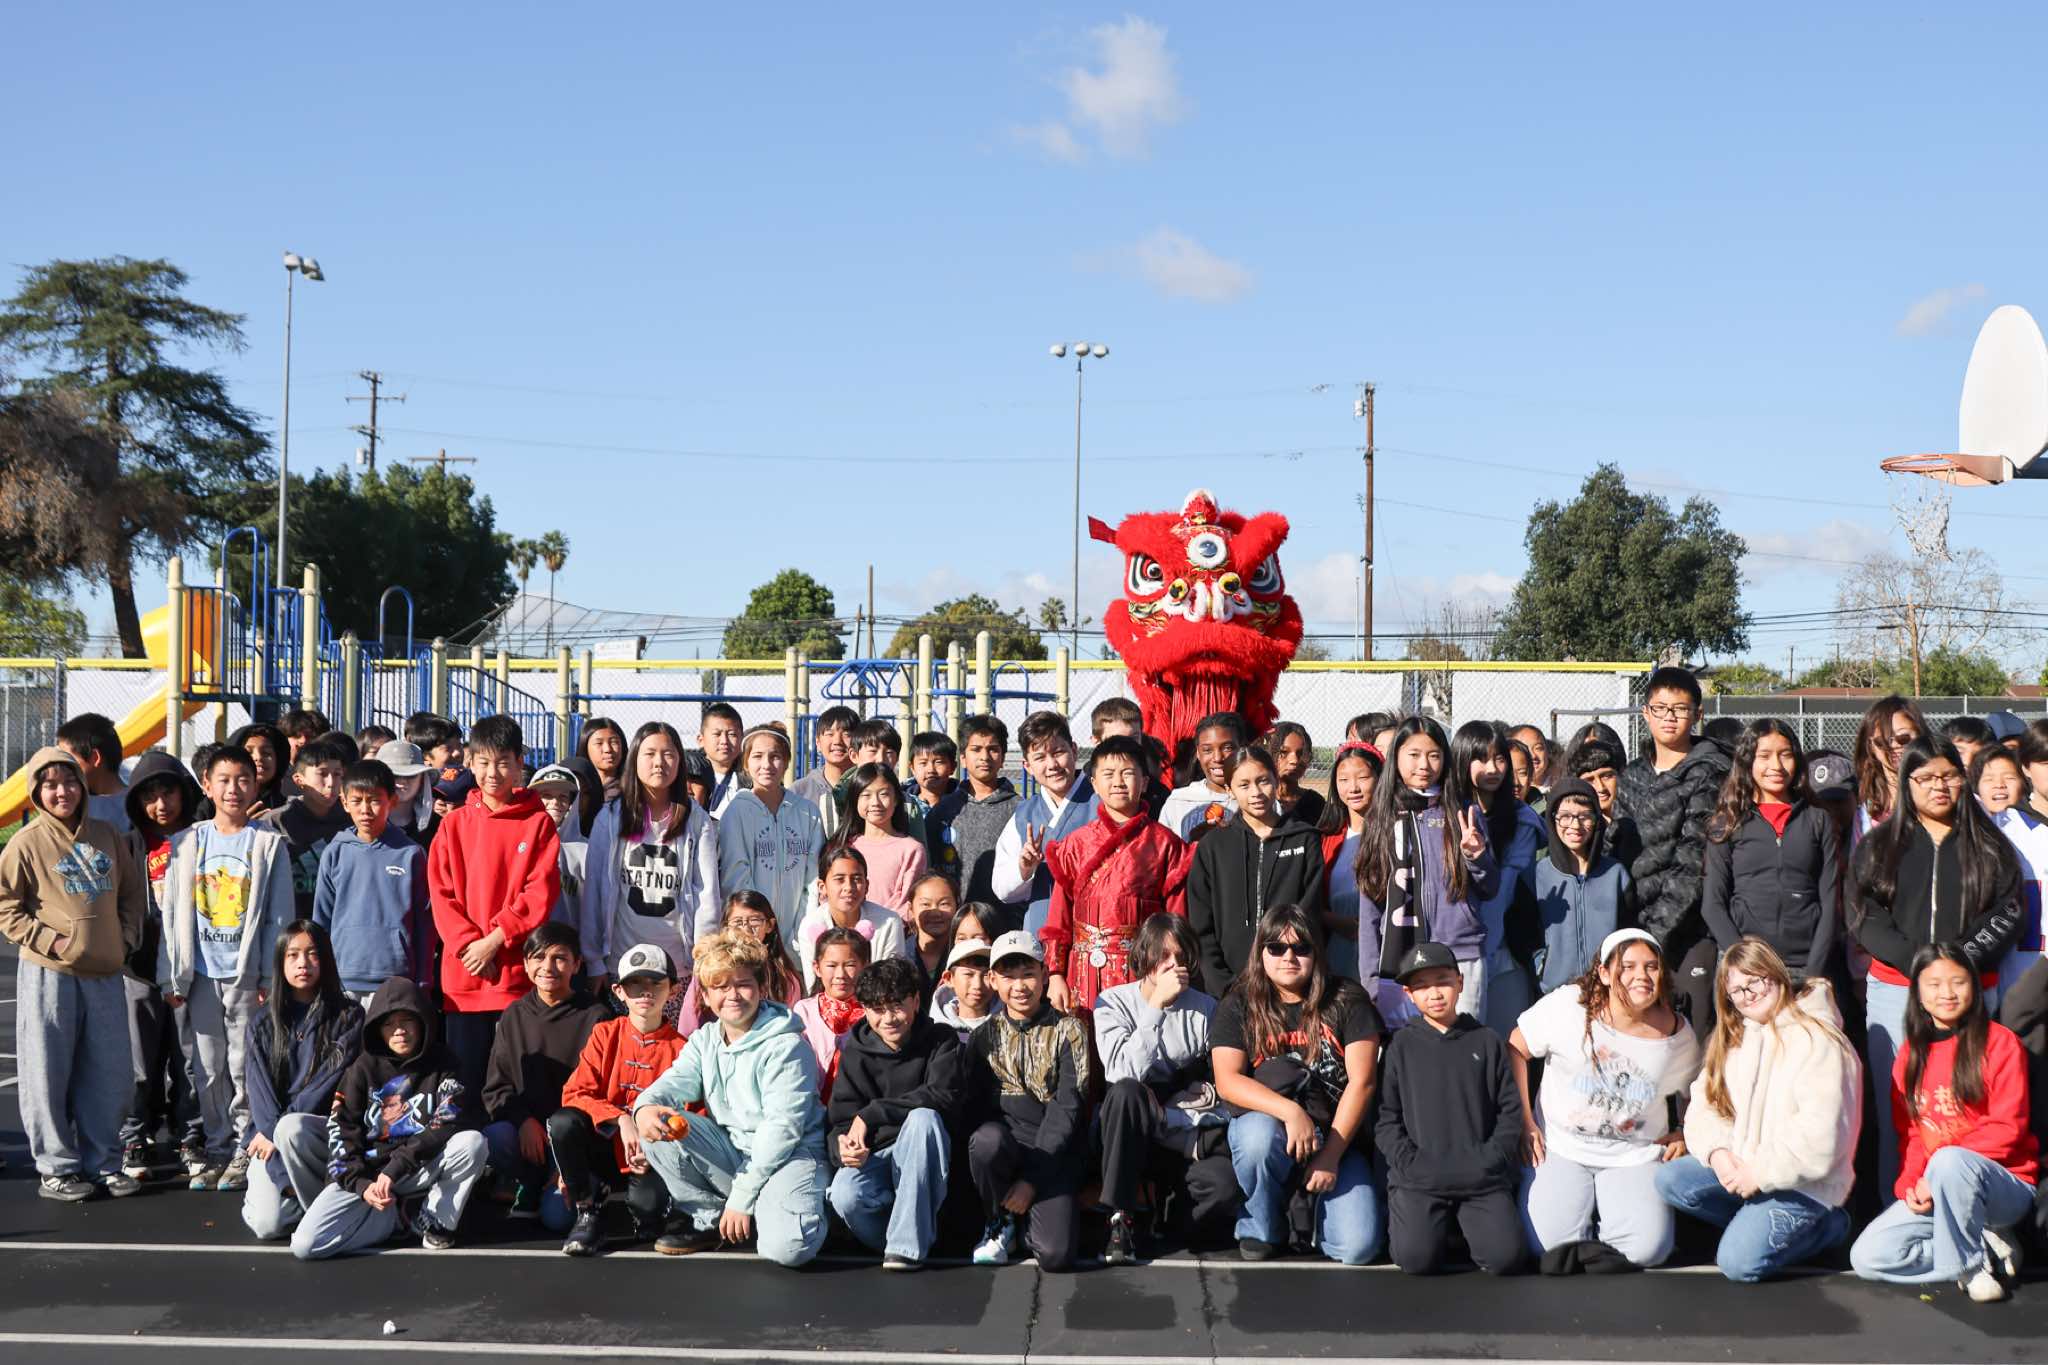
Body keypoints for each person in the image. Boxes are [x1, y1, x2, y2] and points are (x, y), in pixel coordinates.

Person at [1851, 736, 2021, 1190]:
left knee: (1970, 1107)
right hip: (1896, 991)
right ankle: (1900, 1209)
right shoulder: (1879, 846)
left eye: (1948, 776)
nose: (1938, 786)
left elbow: (2008, 912)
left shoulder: (1990, 845)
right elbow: (1863, 914)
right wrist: (1919, 963)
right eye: (1925, 777)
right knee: (1900, 1111)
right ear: (1906, 783)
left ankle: (1968, 1208)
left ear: (1963, 780)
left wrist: (1956, 964)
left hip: (1969, 993)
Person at [1655, 937, 1860, 1282]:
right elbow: (1704, 1106)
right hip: (1747, 1167)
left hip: (1804, 1184)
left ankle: (1828, 1227)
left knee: (1738, 1263)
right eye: (1737, 990)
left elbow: (1821, 1137)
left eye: (1756, 981)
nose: (1748, 994)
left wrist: (1759, 1174)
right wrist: (1719, 1153)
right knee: (1672, 1180)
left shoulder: (1818, 1039)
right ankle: (1756, 1223)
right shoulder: (1736, 1038)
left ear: (1776, 976)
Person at [631, 929, 831, 1265]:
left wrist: (742, 1197)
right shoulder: (705, 1039)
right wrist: (643, 1110)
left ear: (761, 988)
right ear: (707, 996)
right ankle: (711, 1219)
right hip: (733, 1152)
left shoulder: (788, 1046)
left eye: (743, 984)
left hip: (791, 1157)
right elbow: (673, 1083)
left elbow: (782, 1130)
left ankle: (808, 1207)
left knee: (789, 1249)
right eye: (721, 987)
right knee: (657, 1121)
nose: (732, 995)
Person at [1851, 945, 2037, 1302]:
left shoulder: (2000, 1043)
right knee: (1868, 1256)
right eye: (1934, 984)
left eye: (1958, 982)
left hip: (2003, 1186)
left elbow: (2007, 1128)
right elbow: (1912, 1135)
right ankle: (1982, 1247)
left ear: (1974, 987)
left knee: (1949, 1160)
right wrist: (1910, 1184)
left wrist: (1935, 1174)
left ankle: (1970, 1268)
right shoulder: (1910, 1055)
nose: (1947, 993)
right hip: (1939, 1188)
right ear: (1918, 993)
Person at [1, 746, 146, 1201]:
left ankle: (104, 1163)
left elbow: (131, 894)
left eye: (69, 782)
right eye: (50, 785)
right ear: (36, 792)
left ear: (82, 786)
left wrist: (125, 938)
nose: (61, 792)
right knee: (47, 1072)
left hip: (105, 973)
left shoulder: (107, 835)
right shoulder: (25, 843)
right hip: (50, 974)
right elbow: (6, 907)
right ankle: (56, 1168)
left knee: (110, 1074)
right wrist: (52, 941)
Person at [1510, 928, 1701, 1269]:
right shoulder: (1568, 1005)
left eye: (1651, 966)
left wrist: (1686, 1131)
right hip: (1562, 1146)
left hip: (1634, 1154)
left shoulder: (1674, 1031)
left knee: (1647, 1251)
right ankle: (1584, 1230)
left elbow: (1695, 1089)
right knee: (1548, 1248)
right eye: (1628, 966)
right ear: (1604, 973)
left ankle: (1602, 1231)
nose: (1641, 975)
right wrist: (1525, 1121)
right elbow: (1516, 1047)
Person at [1213, 903, 1386, 1264]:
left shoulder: (1347, 999)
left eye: (1300, 947)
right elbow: (1227, 1081)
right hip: (1272, 1131)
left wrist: (1331, 1155)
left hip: (1337, 1138)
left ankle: (1307, 1220)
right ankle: (1263, 1226)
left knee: (1359, 1247)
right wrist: (1291, 1112)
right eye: (1276, 947)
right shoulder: (1238, 1003)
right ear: (1261, 952)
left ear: (1316, 951)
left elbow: (1363, 1083)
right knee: (1257, 1139)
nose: (1288, 957)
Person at [161, 745, 295, 1192]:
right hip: (200, 974)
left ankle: (244, 1143)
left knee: (244, 1063)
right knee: (206, 1065)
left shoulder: (268, 844)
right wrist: (170, 974)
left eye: (243, 780)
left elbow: (279, 916)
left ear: (255, 786)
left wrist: (270, 975)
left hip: (246, 974)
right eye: (223, 780)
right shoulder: (187, 842)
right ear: (207, 785)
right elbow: (171, 914)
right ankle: (218, 1144)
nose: (233, 789)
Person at [292, 976, 487, 1258]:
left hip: (416, 1167)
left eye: (407, 1020)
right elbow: (340, 1129)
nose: (399, 1031)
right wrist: (361, 1185)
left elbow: (449, 1120)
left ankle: (434, 1220)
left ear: (423, 1021)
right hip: (370, 1174)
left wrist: (396, 1168)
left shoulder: (445, 1063)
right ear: (377, 1030)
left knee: (472, 1142)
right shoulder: (362, 1069)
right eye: (388, 1024)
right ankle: (397, 1220)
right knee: (305, 1246)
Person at [426, 715, 564, 1109]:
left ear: (520, 764)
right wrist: (471, 946)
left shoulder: (538, 824)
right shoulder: (454, 825)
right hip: (464, 977)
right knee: (464, 1090)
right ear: (469, 762)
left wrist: (495, 940)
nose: (493, 773)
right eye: (484, 762)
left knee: (515, 1088)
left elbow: (539, 892)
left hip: (516, 976)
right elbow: (441, 895)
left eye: (503, 762)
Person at [1376, 941, 1528, 1276]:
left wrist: (1490, 1159)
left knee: (1506, 1258)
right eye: (1421, 986)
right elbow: (1387, 1119)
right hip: (1420, 1179)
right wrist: (1411, 1164)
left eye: (1443, 981)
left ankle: (1464, 1229)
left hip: (1480, 1178)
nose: (1434, 993)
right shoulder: (1400, 1046)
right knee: (1415, 1260)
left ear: (1460, 982)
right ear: (1408, 994)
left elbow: (1509, 1111)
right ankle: (1437, 1229)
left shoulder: (1487, 1040)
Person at [1093, 913, 1233, 1263]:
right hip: (1127, 1134)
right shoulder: (1112, 1002)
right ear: (1145, 957)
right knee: (1126, 1091)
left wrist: (1170, 1120)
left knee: (1223, 1186)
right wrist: (1156, 1006)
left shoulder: (1207, 1009)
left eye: (1180, 957)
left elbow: (1219, 1090)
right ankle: (1119, 1217)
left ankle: (1168, 1218)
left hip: (1181, 1131)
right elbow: (1122, 1072)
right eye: (1163, 956)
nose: (1173, 965)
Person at [828, 955, 969, 1269]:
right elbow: (841, 1121)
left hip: (930, 1156)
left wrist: (872, 1114)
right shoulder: (854, 1052)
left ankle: (906, 1247)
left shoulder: (941, 1040)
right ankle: (904, 1239)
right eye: (878, 1009)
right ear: (865, 1010)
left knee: (923, 1119)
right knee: (844, 1194)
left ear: (916, 1001)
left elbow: (942, 1096)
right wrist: (844, 1148)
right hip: (878, 1154)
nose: (889, 1018)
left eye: (897, 1006)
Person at [1614, 665, 1732, 1037]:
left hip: (1688, 935)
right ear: (1645, 713)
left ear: (1697, 714)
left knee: (1689, 1043)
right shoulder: (1631, 776)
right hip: (1632, 930)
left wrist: (1654, 938)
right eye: (1660, 708)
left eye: (1680, 709)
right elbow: (1617, 850)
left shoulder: (1711, 772)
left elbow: (1693, 861)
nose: (1669, 717)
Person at [965, 931, 1093, 1270]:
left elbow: (1068, 1108)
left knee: (1055, 1256)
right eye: (1008, 976)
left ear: (1044, 974)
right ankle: (999, 1219)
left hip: (1054, 1152)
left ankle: (1024, 1221)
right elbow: (975, 1109)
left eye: (1028, 974)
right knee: (985, 1141)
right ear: (992, 980)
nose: (1019, 986)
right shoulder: (983, 1037)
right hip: (1006, 1148)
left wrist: (1031, 1181)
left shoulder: (1070, 1031)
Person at [1355, 717, 1496, 1021]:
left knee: (1462, 1043)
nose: (1424, 765)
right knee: (1407, 1047)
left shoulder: (1464, 812)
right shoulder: (1380, 818)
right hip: (1399, 961)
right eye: (1414, 754)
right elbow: (1370, 906)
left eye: (1434, 755)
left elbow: (1489, 888)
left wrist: (1477, 857)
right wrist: (1370, 977)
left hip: (1459, 956)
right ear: (1396, 757)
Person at [553, 942, 689, 1255]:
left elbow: (691, 1116)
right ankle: (588, 1208)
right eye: (635, 984)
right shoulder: (605, 1034)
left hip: (648, 1157)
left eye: (656, 983)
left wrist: (656, 1150)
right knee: (562, 1124)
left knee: (648, 1216)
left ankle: (644, 1209)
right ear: (618, 991)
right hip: (602, 1149)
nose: (645, 992)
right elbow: (575, 1093)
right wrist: (621, 1118)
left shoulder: (683, 1049)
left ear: (673, 990)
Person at [1041, 735, 1192, 1013]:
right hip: (1083, 971)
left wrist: (1171, 969)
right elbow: (1058, 918)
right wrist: (1055, 974)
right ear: (1094, 783)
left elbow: (1176, 918)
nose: (1118, 782)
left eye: (1128, 773)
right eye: (1108, 774)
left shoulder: (1165, 844)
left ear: (1144, 782)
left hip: (1144, 970)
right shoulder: (1075, 844)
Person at [241, 920, 366, 1239]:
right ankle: (294, 1197)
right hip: (270, 1139)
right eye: (293, 954)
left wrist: (279, 1129)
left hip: (319, 1134)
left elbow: (327, 1083)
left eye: (312, 954)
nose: (303, 963)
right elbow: (260, 1096)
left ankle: (316, 1208)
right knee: (267, 1226)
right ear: (280, 961)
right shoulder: (261, 1023)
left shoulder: (349, 1016)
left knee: (292, 1128)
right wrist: (274, 1141)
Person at [482, 921, 607, 1225]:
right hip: (529, 1137)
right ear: (526, 964)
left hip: (574, 1138)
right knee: (493, 1137)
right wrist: (523, 1121)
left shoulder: (596, 1016)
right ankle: (528, 1180)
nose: (548, 967)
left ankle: (584, 1182)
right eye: (538, 957)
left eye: (559, 958)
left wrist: (566, 1150)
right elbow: (496, 1089)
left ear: (577, 964)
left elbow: (604, 1093)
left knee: (557, 1220)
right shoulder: (514, 1015)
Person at [118, 750, 203, 1182]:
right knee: (139, 1061)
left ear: (184, 793)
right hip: (140, 969)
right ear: (137, 801)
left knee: (189, 1058)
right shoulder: (129, 845)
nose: (160, 804)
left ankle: (191, 1134)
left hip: (189, 968)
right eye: (149, 796)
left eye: (168, 792)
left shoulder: (200, 839)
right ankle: (135, 1134)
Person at [582, 721, 720, 988]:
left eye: (668, 754)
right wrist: (594, 961)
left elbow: (706, 895)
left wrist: (703, 959)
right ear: (634, 758)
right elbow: (594, 893)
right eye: (650, 753)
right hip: (621, 965)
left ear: (680, 761)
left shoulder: (696, 820)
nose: (659, 762)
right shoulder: (610, 818)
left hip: (679, 969)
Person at [1702, 719, 1844, 979]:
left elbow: (1830, 900)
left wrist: (1814, 971)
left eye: (1785, 755)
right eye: (1764, 756)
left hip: (1806, 965)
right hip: (1746, 967)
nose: (1776, 766)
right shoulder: (1728, 822)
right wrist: (1744, 965)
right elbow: (1712, 904)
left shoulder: (1818, 819)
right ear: (1748, 761)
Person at [1189, 746, 1326, 997]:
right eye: (1244, 785)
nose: (1256, 792)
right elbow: (1201, 923)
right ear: (1229, 790)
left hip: (1289, 986)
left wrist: (1288, 979)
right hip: (1228, 991)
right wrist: (1224, 985)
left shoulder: (1304, 839)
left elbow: (1310, 912)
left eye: (1263, 781)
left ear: (1276, 780)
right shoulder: (1213, 846)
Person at [314, 759, 434, 1002]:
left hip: (397, 980)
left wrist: (423, 979)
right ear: (344, 803)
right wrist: (321, 976)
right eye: (357, 801)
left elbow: (425, 924)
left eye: (375, 800)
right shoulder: (335, 852)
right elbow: (321, 921)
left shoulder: (411, 854)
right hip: (343, 979)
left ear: (392, 801)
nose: (365, 809)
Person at [1454, 722, 1546, 1037]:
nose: (1493, 768)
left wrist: (1487, 953)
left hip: (1506, 950)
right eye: (1481, 759)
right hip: (1458, 953)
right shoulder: (1446, 815)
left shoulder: (1523, 822)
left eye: (1500, 759)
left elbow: (1502, 895)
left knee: (1508, 1044)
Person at [1517, 778, 1632, 998]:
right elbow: (1522, 935)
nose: (1575, 826)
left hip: (1607, 989)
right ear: (1552, 819)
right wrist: (1540, 964)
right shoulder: (1535, 875)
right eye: (1565, 816)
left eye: (1585, 816)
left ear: (1596, 820)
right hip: (1554, 994)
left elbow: (1628, 929)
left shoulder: (1616, 874)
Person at [991, 711, 1098, 937]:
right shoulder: (1023, 815)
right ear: (1027, 766)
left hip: (1096, 933)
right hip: (1042, 935)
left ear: (1074, 750)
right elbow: (1002, 889)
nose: (1052, 765)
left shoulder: (1102, 801)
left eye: (1058, 752)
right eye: (1040, 757)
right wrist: (1024, 868)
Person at [718, 724, 826, 932]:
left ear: (786, 762)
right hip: (753, 934)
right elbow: (736, 878)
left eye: (775, 756)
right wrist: (759, 929)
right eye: (757, 756)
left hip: (798, 935)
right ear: (746, 763)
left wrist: (802, 933)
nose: (766, 764)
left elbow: (812, 879)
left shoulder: (808, 812)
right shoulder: (736, 812)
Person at [1974, 745, 2048, 995]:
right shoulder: (1977, 833)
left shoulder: (2032, 828)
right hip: (2007, 968)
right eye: (1989, 778)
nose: (1999, 785)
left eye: (2008, 777)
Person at [926, 714, 1020, 905]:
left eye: (993, 749)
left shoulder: (1020, 809)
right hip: (955, 916)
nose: (984, 757)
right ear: (963, 757)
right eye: (976, 749)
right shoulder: (944, 810)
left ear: (1003, 757)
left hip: (1006, 915)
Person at [678, 890, 804, 1032]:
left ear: (770, 925)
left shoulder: (785, 977)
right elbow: (689, 1020)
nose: (746, 929)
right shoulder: (711, 968)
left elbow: (789, 1025)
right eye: (737, 922)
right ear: (726, 926)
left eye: (754, 920)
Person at [258, 734, 353, 918]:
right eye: (322, 774)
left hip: (339, 921)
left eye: (337, 774)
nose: (331, 783)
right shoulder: (275, 822)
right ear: (299, 780)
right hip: (290, 923)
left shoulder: (352, 821)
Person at [1317, 740, 1382, 982]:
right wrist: (1337, 922)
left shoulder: (1397, 832)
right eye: (1343, 779)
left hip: (1384, 948)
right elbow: (1312, 900)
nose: (1353, 788)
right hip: (1337, 949)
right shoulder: (1326, 838)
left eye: (1362, 778)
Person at [797, 846, 910, 984]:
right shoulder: (811, 926)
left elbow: (891, 983)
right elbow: (813, 984)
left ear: (867, 885)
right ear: (822, 887)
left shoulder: (889, 922)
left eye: (856, 879)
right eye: (839, 879)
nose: (849, 887)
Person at [832, 761, 928, 920]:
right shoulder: (844, 846)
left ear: (896, 799)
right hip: (847, 931)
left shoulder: (912, 849)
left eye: (884, 794)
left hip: (892, 930)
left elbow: (907, 902)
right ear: (855, 800)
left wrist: (879, 926)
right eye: (866, 795)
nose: (875, 802)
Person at [793, 927, 870, 1097]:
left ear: (865, 966)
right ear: (817, 968)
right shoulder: (804, 1011)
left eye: (850, 965)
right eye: (831, 965)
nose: (840, 974)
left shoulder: (873, 1013)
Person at [1158, 712, 1246, 840]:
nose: (1217, 758)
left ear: (1242, 749)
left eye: (1227, 748)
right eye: (1207, 750)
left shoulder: (1257, 799)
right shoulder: (1178, 801)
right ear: (1198, 753)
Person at [1853, 696, 1929, 840]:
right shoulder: (1865, 814)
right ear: (1871, 747)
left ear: (1921, 736)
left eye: (1903, 738)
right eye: (1882, 741)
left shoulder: (1941, 795)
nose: (1894, 746)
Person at [791, 704, 861, 834]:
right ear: (818, 743)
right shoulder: (800, 791)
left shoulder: (867, 785)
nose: (837, 741)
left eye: (846, 734)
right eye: (830, 734)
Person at [55, 712, 129, 832]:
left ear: (95, 758)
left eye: (68, 759)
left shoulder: (137, 807)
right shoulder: (69, 802)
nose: (63, 766)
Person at [904, 871, 958, 1008]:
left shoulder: (963, 955)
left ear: (957, 906)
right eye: (925, 904)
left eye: (944, 904)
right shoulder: (900, 954)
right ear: (911, 909)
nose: (935, 912)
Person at [375, 740, 441, 849]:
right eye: (394, 775)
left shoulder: (437, 827)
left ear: (422, 780)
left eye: (411, 775)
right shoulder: (363, 822)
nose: (402, 781)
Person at [1264, 721, 1325, 828]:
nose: (1295, 760)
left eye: (1301, 753)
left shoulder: (1315, 803)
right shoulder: (1260, 801)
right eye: (1284, 752)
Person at [226, 722, 291, 817]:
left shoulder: (289, 808)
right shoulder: (216, 803)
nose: (258, 758)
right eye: (248, 752)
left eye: (266, 753)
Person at [697, 702, 747, 816]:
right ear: (701, 740)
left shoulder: (752, 779)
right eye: (717, 734)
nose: (724, 741)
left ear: (741, 739)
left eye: (732, 734)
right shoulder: (688, 777)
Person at [578, 717, 628, 802]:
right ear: (585, 747)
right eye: (599, 743)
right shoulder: (576, 788)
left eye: (614, 742)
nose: (607, 749)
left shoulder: (632, 789)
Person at [908, 730, 959, 812]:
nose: (931, 770)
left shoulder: (965, 803)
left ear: (953, 767)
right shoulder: (901, 805)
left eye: (939, 762)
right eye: (923, 763)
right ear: (912, 768)